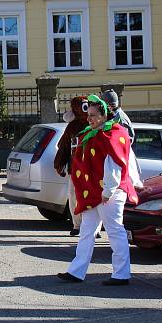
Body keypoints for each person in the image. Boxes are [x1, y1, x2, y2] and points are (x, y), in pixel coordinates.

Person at [58, 95, 141, 286]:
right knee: (87, 231)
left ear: (104, 116)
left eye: (94, 115)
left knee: (114, 231)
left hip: (108, 193)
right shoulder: (92, 133)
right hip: (94, 192)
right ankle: (76, 271)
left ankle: (121, 274)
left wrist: (108, 192)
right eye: (89, 115)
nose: (89, 119)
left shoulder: (113, 134)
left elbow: (115, 165)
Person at [54, 96, 90, 237]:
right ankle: (77, 225)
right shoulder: (72, 127)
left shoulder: (94, 124)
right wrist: (60, 164)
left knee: (92, 198)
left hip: (92, 170)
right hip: (74, 169)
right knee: (74, 196)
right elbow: (64, 146)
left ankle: (94, 227)